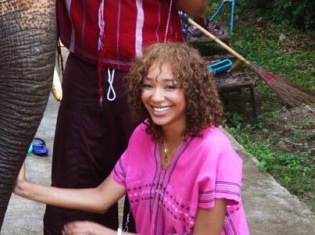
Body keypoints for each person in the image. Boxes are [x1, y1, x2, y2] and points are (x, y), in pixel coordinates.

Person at [47, 0, 210, 232]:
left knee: (150, 197)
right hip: (84, 75)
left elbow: (197, 5)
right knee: (72, 194)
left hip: (150, 87)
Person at [17, 42, 249, 235]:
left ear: (193, 92)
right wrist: (25, 188)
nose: (156, 97)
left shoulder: (214, 151)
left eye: (170, 87)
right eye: (148, 86)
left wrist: (108, 233)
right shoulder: (144, 135)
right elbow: (100, 197)